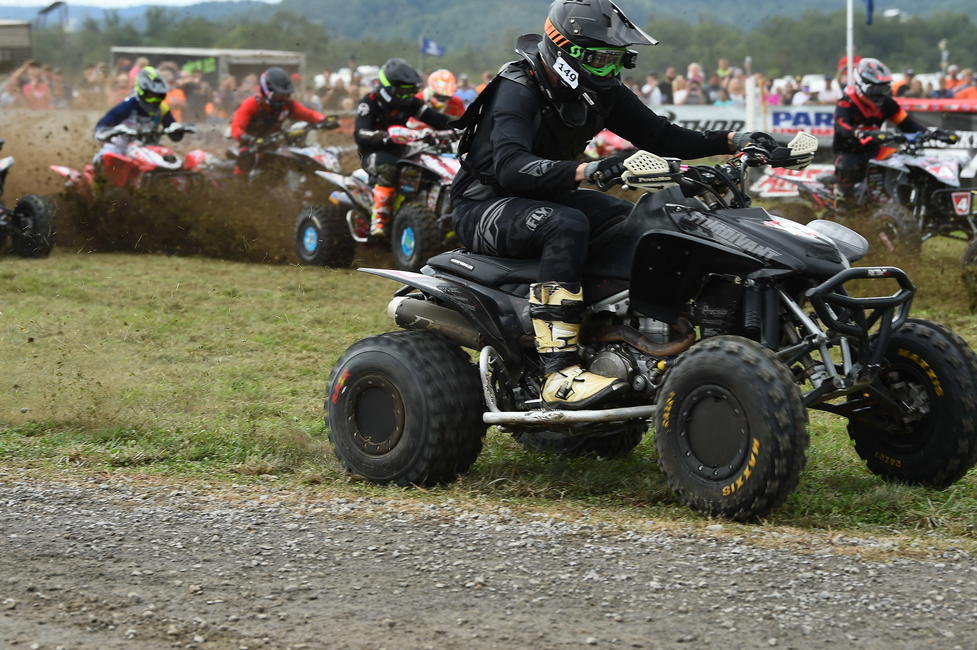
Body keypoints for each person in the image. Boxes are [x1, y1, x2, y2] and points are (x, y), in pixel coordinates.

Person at [450, 0, 776, 410]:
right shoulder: (518, 87)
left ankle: (618, 334)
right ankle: (558, 371)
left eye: (617, 60)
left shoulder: (599, 91)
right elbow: (512, 168)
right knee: (564, 225)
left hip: (546, 197)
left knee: (638, 220)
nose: (610, 71)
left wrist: (734, 141)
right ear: (564, 51)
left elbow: (663, 136)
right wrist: (590, 170)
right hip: (484, 204)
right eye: (601, 60)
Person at [353, 57, 452, 236]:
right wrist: (381, 136)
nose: (407, 97)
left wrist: (464, 126)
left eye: (410, 92)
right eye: (402, 92)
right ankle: (380, 219)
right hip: (374, 153)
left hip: (404, 150)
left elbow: (438, 120)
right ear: (387, 88)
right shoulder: (370, 102)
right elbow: (360, 133)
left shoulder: (411, 103)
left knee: (433, 166)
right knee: (389, 168)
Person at [832, 57, 925, 198]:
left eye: (884, 88)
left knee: (901, 160)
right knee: (848, 165)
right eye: (875, 88)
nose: (879, 93)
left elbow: (907, 124)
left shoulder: (887, 103)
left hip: (874, 150)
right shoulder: (847, 102)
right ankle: (842, 201)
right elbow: (841, 126)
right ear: (861, 84)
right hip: (850, 151)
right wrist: (858, 132)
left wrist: (929, 133)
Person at [230, 66, 326, 172]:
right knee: (246, 159)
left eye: (285, 95)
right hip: (253, 145)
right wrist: (249, 138)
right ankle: (239, 186)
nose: (281, 98)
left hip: (275, 143)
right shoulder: (252, 104)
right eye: (278, 94)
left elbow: (309, 114)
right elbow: (236, 128)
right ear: (266, 91)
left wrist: (324, 120)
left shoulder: (288, 105)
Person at [93, 66, 182, 164]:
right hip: (122, 147)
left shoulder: (162, 108)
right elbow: (101, 127)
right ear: (141, 91)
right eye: (151, 95)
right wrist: (112, 131)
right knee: (105, 159)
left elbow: (175, 136)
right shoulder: (127, 106)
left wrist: (178, 130)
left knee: (172, 161)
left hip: (149, 149)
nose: (155, 99)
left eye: (158, 95)